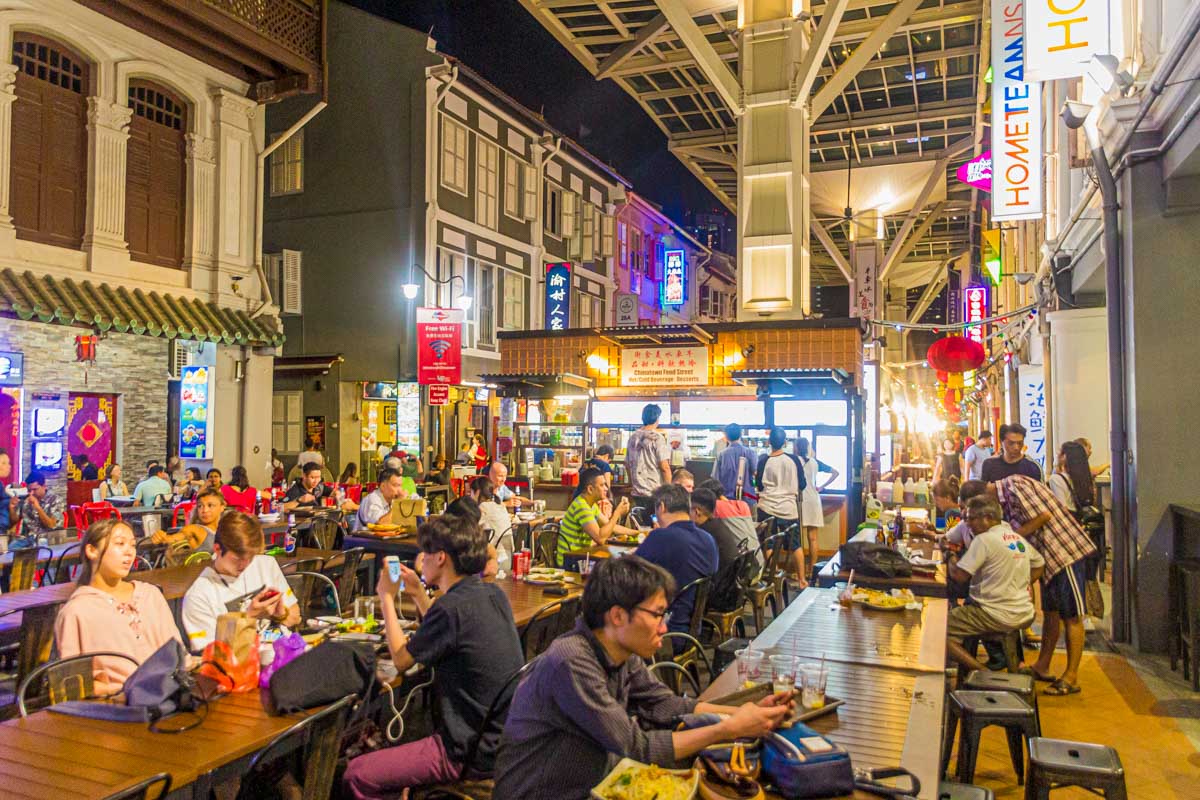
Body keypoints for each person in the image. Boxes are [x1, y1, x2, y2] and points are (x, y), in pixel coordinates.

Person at [492, 556, 792, 800]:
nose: (663, 627)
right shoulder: (570, 661)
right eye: (657, 614)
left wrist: (750, 713)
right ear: (618, 616)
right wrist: (729, 728)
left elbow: (667, 705)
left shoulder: (620, 651)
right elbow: (637, 747)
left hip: (596, 782)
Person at [344, 515, 524, 799]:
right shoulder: (491, 594)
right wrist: (417, 593)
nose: (421, 559)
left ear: (440, 558)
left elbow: (402, 660)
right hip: (501, 740)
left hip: (466, 751)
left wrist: (387, 599)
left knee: (357, 773)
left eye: (425, 553)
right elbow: (447, 632)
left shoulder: (451, 608)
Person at [961, 476, 1096, 696]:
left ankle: (1071, 677)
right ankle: (1042, 666)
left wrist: (1008, 539)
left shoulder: (1015, 486)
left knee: (1072, 616)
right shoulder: (1003, 501)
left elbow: (1044, 516)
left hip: (1064, 552)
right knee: (1051, 613)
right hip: (1047, 559)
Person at [54, 518, 184, 692]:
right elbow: (73, 684)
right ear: (92, 550)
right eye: (120, 544)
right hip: (116, 707)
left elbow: (178, 653)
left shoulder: (150, 595)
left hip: (167, 694)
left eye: (132, 545)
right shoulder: (77, 612)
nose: (129, 552)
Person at [945, 497, 1045, 673]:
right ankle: (995, 662)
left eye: (971, 518)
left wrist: (950, 556)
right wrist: (1021, 584)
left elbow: (959, 576)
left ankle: (983, 673)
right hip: (1024, 613)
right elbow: (1039, 564)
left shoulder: (984, 540)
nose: (967, 524)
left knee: (938, 627)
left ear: (988, 517)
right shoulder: (1016, 538)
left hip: (994, 614)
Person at [181, 511, 299, 652]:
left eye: (250, 557)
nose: (245, 564)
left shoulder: (264, 564)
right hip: (243, 667)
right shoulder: (199, 595)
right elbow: (212, 655)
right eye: (237, 558)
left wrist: (280, 615)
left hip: (285, 654)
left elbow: (296, 617)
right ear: (217, 549)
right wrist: (249, 617)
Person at [634, 484, 718, 642]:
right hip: (693, 630)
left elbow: (627, 574)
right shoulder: (709, 540)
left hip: (666, 632)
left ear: (662, 507)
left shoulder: (660, 537)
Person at [690, 487, 762, 609]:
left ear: (697, 511)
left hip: (721, 597)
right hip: (732, 590)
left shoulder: (704, 533)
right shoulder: (717, 525)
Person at [755, 427, 807, 585]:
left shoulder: (763, 460)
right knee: (795, 545)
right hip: (788, 508)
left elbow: (759, 485)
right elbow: (802, 484)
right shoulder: (794, 460)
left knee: (768, 543)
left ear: (769, 442)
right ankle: (802, 580)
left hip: (767, 507)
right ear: (785, 442)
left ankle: (775, 577)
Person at [557, 467, 632, 565]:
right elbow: (600, 538)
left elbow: (611, 526)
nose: (606, 488)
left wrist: (639, 533)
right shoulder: (581, 506)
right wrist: (617, 513)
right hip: (570, 561)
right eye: (602, 485)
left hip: (581, 556)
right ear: (590, 489)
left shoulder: (591, 505)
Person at [797, 437, 837, 577]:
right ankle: (811, 570)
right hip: (814, 499)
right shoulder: (815, 462)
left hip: (800, 500)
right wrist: (822, 487)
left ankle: (800, 571)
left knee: (798, 539)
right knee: (813, 538)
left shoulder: (795, 461)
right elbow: (835, 472)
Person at [625, 404, 671, 514]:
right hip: (654, 493)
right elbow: (664, 467)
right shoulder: (657, 438)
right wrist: (668, 490)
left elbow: (626, 464)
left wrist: (632, 484)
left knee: (639, 525)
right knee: (655, 526)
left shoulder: (633, 437)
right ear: (657, 418)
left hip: (637, 493)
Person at [152, 486, 225, 551]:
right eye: (200, 506)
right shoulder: (195, 529)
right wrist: (162, 538)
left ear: (222, 507)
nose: (204, 510)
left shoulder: (225, 530)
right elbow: (177, 537)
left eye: (210, 505)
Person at [711, 423, 759, 508]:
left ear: (726, 436)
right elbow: (756, 473)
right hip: (748, 500)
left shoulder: (721, 455)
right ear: (740, 435)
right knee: (749, 521)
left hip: (727, 501)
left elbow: (715, 478)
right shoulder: (750, 453)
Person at [1048, 441, 1096, 514]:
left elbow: (1062, 509)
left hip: (1070, 520)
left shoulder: (1056, 479)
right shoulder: (1085, 476)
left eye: (1060, 452)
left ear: (1064, 457)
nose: (1057, 455)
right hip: (1082, 519)